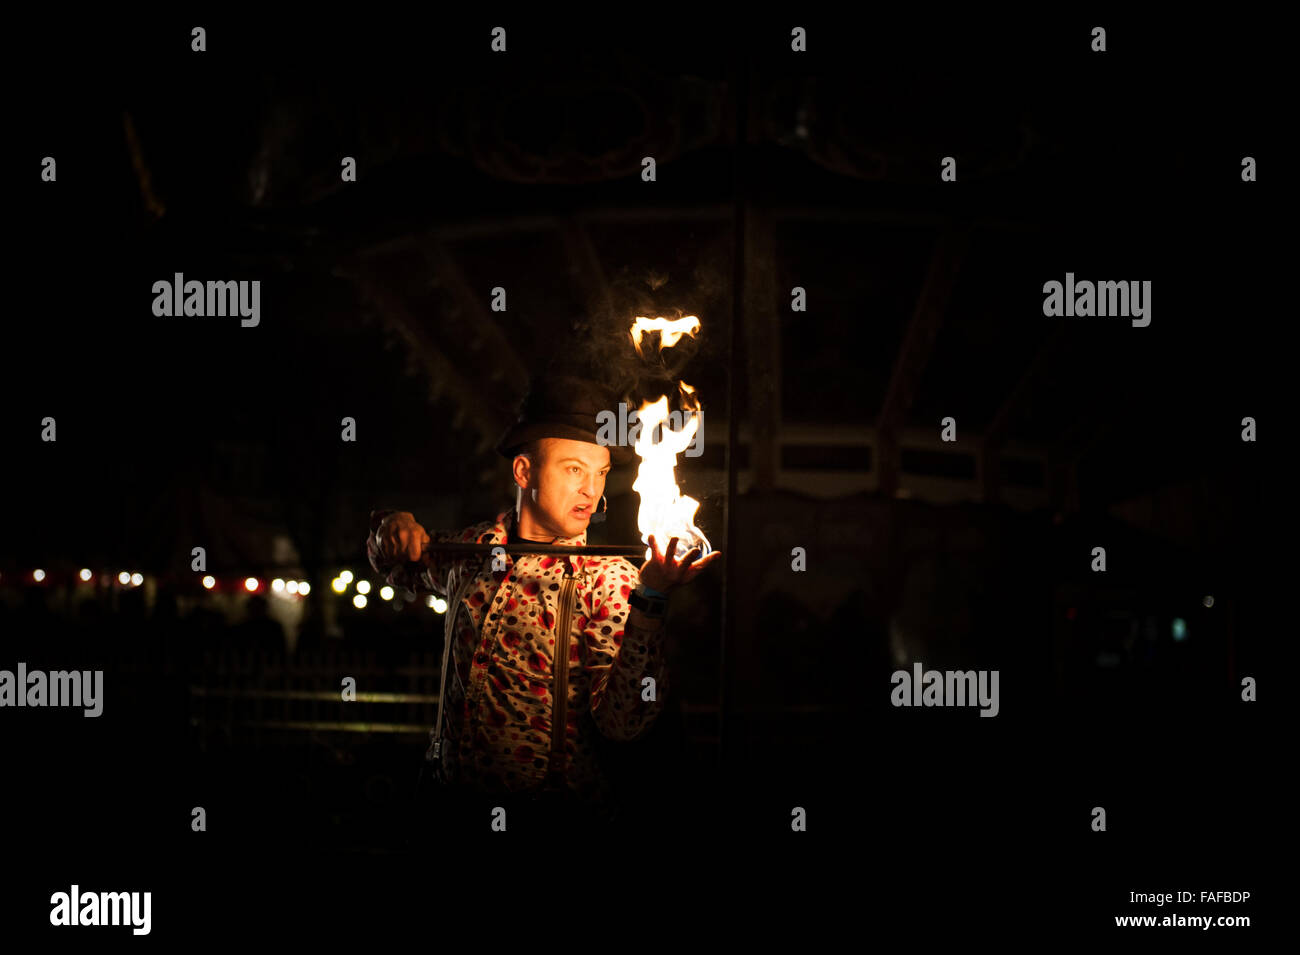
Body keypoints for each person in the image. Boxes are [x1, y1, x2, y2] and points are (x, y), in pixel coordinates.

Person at [366, 374, 720, 834]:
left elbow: (624, 722)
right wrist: (391, 526)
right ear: (523, 472)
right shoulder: (474, 553)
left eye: (601, 473)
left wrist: (651, 599)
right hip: (447, 814)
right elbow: (396, 563)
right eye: (574, 469)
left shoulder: (608, 579)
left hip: (551, 829)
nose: (591, 490)